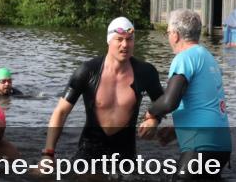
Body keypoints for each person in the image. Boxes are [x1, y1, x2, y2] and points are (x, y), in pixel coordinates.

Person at [41, 17, 163, 164]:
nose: (125, 45)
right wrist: (48, 154)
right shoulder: (87, 71)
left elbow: (163, 103)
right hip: (89, 150)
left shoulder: (146, 72)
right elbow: (60, 112)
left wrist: (154, 120)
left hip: (125, 153)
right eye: (119, 39)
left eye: (129, 39)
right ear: (109, 41)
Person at [142, 9, 231, 174]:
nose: (169, 38)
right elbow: (204, 104)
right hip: (222, 147)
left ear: (175, 35)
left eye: (168, 33)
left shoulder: (184, 58)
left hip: (201, 147)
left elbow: (169, 102)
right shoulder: (209, 58)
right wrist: (177, 130)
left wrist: (150, 113)